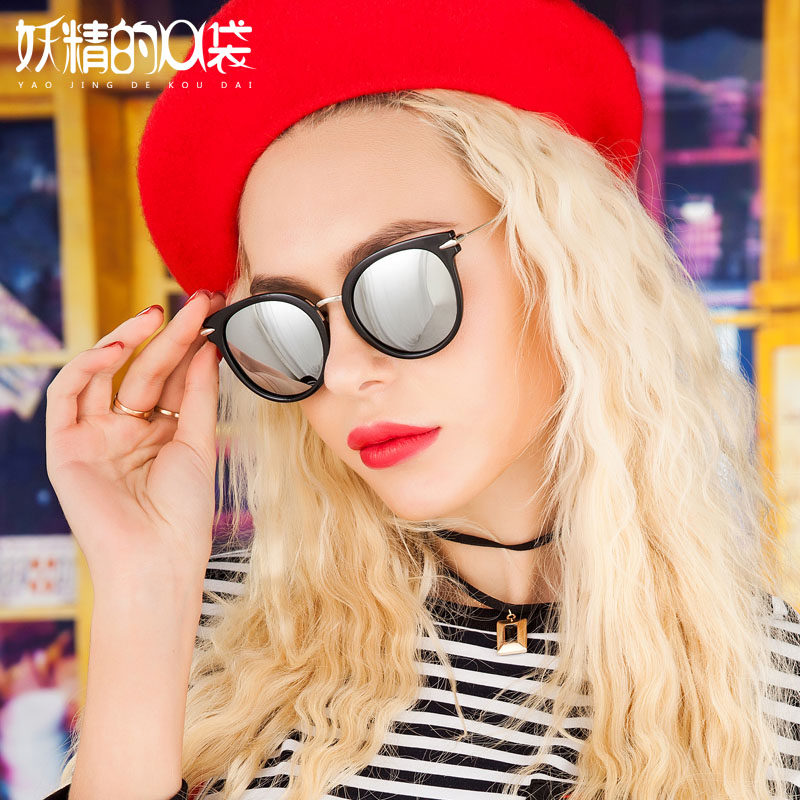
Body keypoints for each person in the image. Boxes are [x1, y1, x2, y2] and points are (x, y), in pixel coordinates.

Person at [41, 0, 800, 798]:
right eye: (289, 323)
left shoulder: (765, 684)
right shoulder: (215, 633)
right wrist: (142, 589)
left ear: (563, 268)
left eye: (403, 286)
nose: (343, 373)